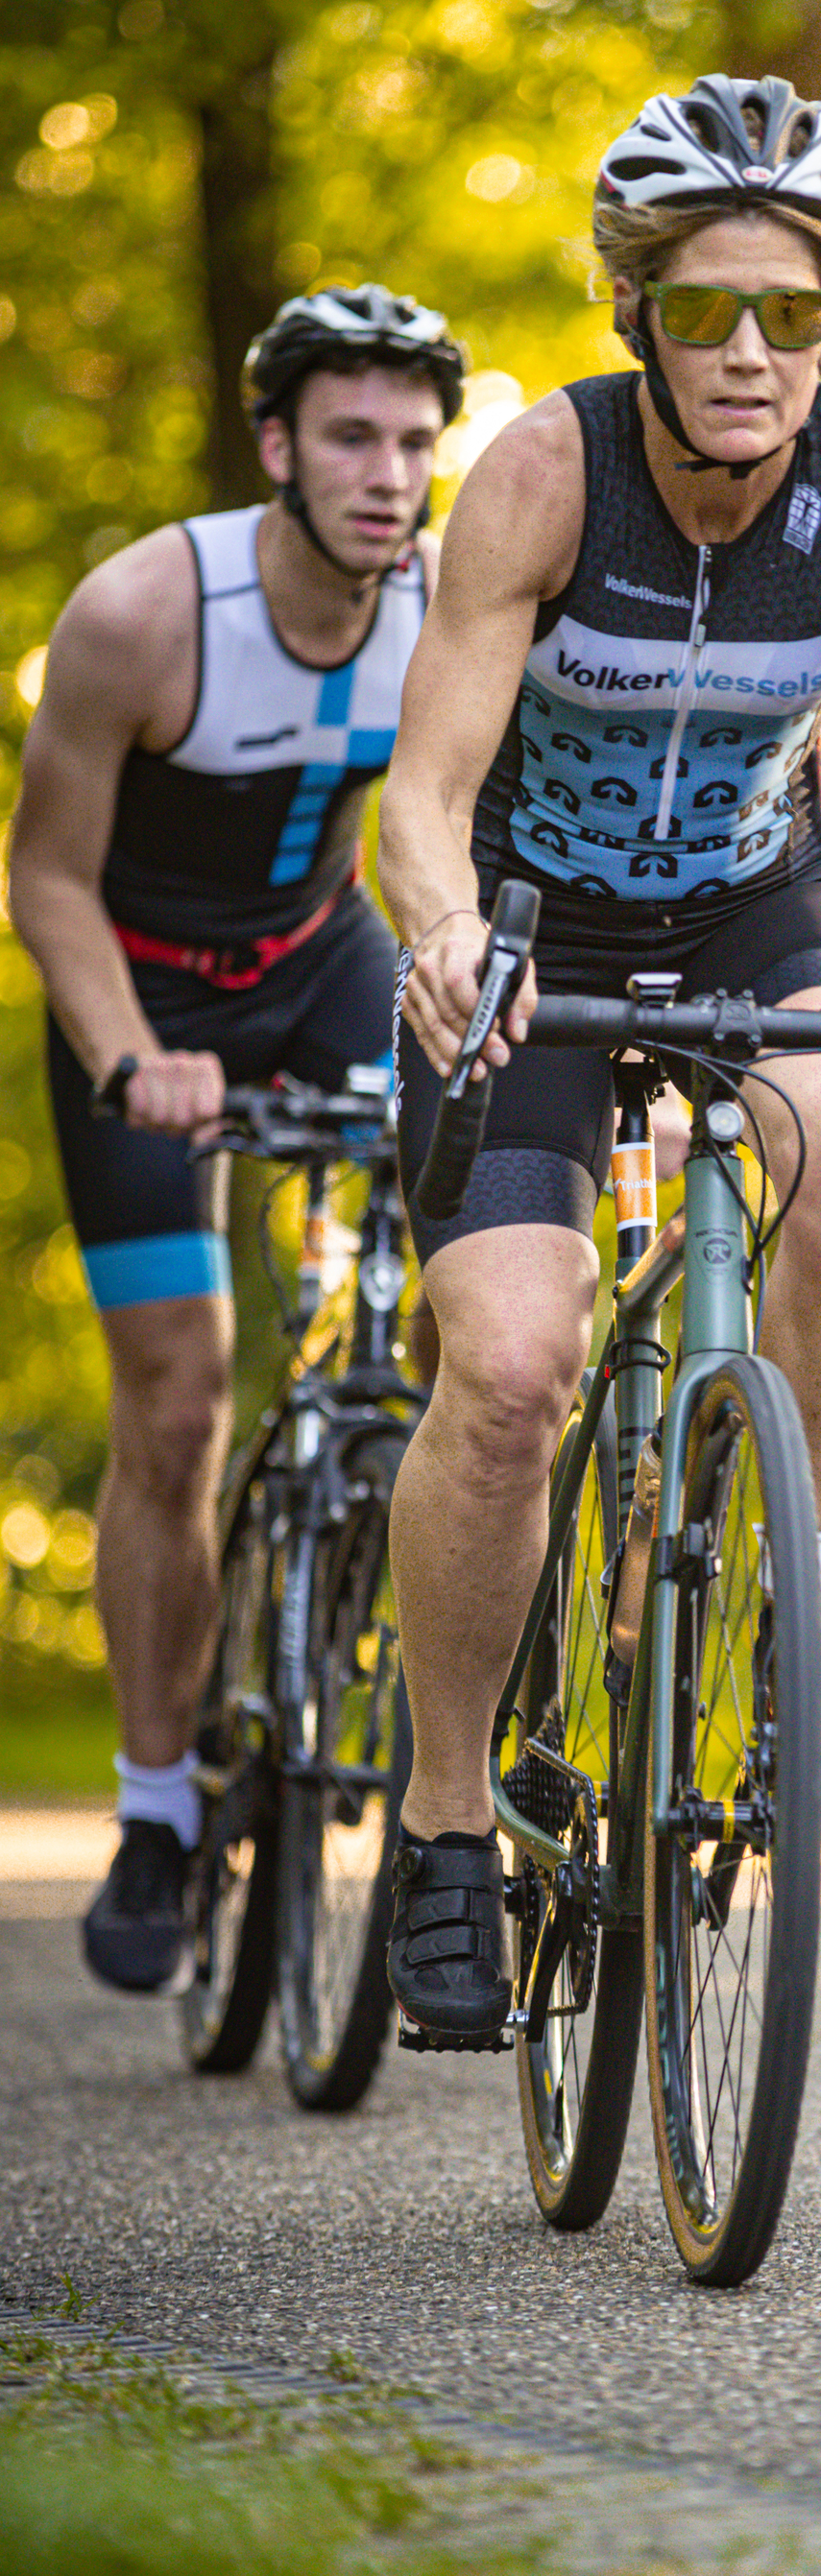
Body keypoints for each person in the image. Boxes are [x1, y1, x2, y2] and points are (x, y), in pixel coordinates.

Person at [379, 74, 821, 2041]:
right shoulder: (538, 474)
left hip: (761, 906)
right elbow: (418, 796)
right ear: (636, 317)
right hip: (535, 932)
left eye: (794, 308)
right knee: (509, 1373)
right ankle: (444, 1832)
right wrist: (442, 937)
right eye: (705, 311)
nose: (751, 352)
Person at [8, 285, 466, 1993]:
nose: (389, 475)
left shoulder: (443, 605)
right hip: (140, 1004)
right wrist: (135, 1064)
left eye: (417, 444)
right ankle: (154, 1807)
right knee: (181, 1393)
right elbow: (44, 877)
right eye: (352, 437)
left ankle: (411, 1584)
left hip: (320, 962)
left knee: (495, 1281)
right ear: (277, 447)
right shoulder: (145, 611)